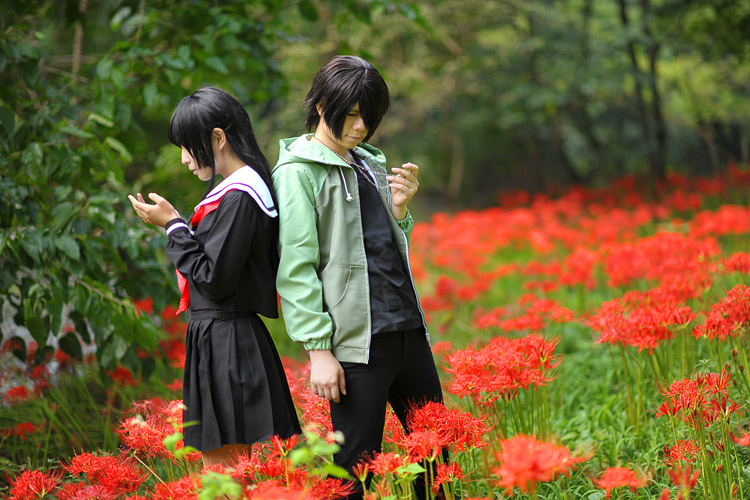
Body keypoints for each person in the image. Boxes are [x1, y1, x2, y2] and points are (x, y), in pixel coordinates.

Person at [272, 56, 444, 498]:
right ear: (322, 105)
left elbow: (382, 245)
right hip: (356, 344)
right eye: (350, 114)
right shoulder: (297, 173)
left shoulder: (367, 162)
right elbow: (295, 268)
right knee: (353, 470)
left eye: (369, 116)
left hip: (407, 330)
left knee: (436, 457)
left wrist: (400, 211)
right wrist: (318, 350)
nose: (361, 126)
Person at [128, 86, 301, 467]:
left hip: (229, 342)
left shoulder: (242, 195)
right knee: (225, 470)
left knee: (226, 471)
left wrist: (174, 225)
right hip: (221, 338)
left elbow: (214, 279)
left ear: (218, 138)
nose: (184, 159)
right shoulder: (234, 192)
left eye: (188, 146)